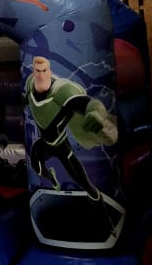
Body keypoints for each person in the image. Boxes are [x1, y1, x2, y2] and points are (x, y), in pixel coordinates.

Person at [24, 55, 117, 201]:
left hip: (62, 145)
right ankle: (52, 178)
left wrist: (95, 112)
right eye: (38, 71)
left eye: (44, 70)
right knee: (38, 168)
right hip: (44, 143)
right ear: (34, 72)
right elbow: (27, 98)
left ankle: (99, 203)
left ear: (49, 72)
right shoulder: (30, 83)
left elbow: (85, 102)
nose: (41, 75)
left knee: (84, 183)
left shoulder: (61, 92)